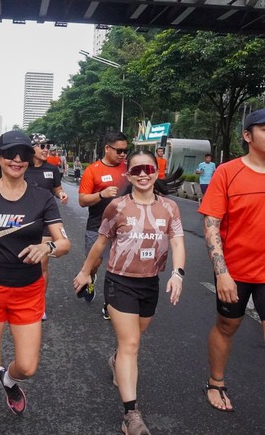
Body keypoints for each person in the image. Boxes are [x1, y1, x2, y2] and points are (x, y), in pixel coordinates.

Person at [0, 130, 70, 434]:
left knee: (28, 367)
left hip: (28, 292)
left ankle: (8, 379)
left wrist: (48, 247)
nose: (17, 160)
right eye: (10, 154)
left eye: (23, 154)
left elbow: (64, 243)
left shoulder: (41, 197)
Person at [73, 149, 186, 435]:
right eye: (136, 170)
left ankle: (116, 360)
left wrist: (178, 274)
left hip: (150, 283)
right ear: (128, 175)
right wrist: (86, 271)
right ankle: (131, 415)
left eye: (148, 169)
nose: (143, 175)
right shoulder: (117, 207)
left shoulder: (170, 207)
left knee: (134, 338)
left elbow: (177, 242)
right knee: (131, 344)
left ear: (156, 172)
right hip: (119, 282)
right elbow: (100, 243)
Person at [198, 108, 265, 413]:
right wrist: (221, 273)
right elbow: (211, 224)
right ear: (247, 135)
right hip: (235, 270)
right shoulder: (227, 172)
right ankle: (216, 382)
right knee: (227, 325)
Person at [77, 131, 129, 317]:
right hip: (97, 224)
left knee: (117, 268)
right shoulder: (93, 170)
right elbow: (82, 200)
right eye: (119, 151)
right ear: (107, 148)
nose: (123, 155)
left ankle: (110, 304)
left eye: (125, 151)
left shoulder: (129, 168)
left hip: (124, 226)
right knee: (94, 263)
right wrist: (101, 194)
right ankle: (90, 277)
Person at [25, 133, 68, 320]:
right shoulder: (22, 167)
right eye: (41, 146)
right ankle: (20, 298)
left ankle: (39, 302)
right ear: (32, 148)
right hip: (23, 220)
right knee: (23, 261)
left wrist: (61, 194)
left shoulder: (52, 168)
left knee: (42, 262)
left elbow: (56, 187)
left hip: (45, 220)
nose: (46, 150)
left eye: (47, 146)